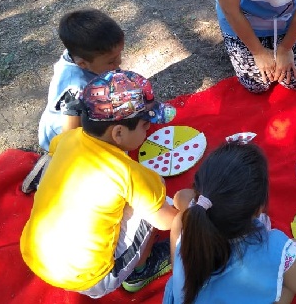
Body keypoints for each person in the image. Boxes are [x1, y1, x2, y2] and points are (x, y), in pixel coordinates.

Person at [20, 70, 178, 297]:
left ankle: (36, 181)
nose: (149, 129)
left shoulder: (69, 138)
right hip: (92, 278)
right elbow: (167, 221)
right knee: (153, 200)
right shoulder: (128, 173)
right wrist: (188, 207)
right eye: (145, 125)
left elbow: (56, 149)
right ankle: (140, 272)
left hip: (35, 255)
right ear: (118, 133)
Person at [23, 9, 175, 193]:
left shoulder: (85, 53)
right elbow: (70, 138)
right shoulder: (76, 88)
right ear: (82, 64)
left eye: (119, 55)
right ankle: (48, 170)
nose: (118, 63)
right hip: (64, 134)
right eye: (111, 62)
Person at [163, 142, 296, 304]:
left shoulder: (183, 222)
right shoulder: (275, 248)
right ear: (259, 210)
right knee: (286, 284)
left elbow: (180, 197)